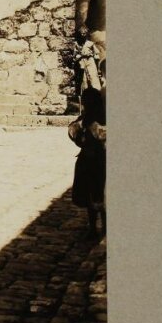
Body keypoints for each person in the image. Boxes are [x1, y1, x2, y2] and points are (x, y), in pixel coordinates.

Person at [68, 85, 106, 239]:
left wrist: (90, 127)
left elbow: (102, 136)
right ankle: (93, 227)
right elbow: (73, 132)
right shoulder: (85, 118)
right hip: (87, 161)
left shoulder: (99, 118)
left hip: (99, 160)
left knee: (99, 194)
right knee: (90, 194)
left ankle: (102, 227)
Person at [73, 25, 101, 99]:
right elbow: (74, 55)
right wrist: (78, 57)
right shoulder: (76, 44)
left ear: (86, 34)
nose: (83, 35)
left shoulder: (90, 44)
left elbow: (96, 56)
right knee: (83, 79)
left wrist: (98, 68)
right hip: (81, 62)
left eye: (84, 33)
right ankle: (84, 97)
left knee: (93, 77)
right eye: (81, 33)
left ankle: (97, 94)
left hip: (90, 61)